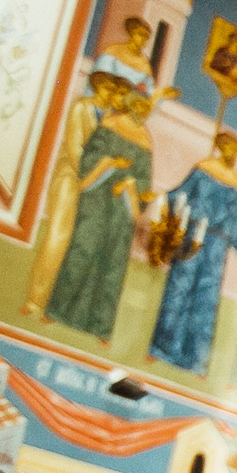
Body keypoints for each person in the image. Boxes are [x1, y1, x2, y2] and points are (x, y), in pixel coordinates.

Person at [45, 86, 158, 343]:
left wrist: (133, 186)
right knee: (82, 248)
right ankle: (58, 311)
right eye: (140, 107)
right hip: (97, 197)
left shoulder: (145, 139)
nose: (143, 114)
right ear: (130, 104)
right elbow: (90, 160)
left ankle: (100, 327)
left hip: (123, 207)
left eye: (147, 110)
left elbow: (143, 180)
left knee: (113, 262)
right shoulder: (110, 124)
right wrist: (110, 165)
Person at [150, 133, 237, 377]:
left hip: (217, 246)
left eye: (236, 150)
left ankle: (194, 360)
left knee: (205, 301)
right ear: (220, 148)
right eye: (229, 148)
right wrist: (162, 206)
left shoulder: (236, 182)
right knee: (179, 289)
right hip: (192, 237)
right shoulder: (203, 169)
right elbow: (180, 196)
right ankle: (163, 348)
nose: (232, 154)